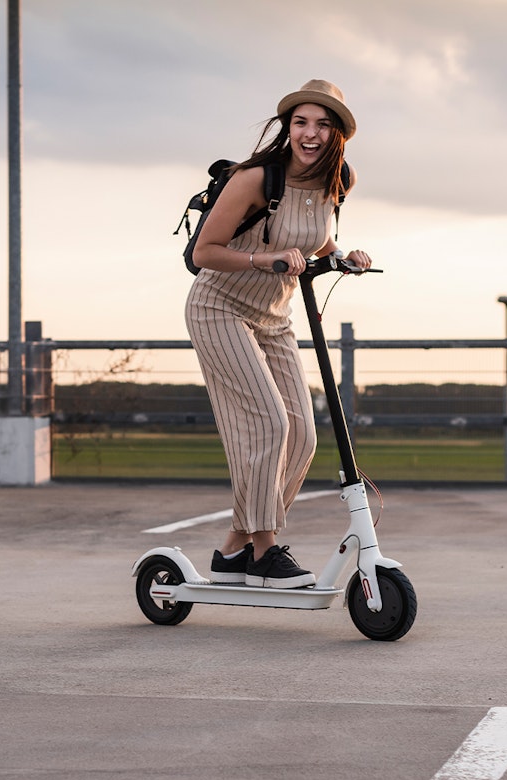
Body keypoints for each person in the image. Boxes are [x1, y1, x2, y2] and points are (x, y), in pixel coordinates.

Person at [185, 79, 373, 589]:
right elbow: (205, 252)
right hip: (219, 306)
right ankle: (265, 550)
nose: (309, 133)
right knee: (269, 423)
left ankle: (232, 551)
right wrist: (263, 259)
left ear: (337, 134)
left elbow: (316, 239)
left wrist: (342, 257)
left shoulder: (338, 180)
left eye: (322, 124)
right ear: (287, 127)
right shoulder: (254, 179)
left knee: (303, 437)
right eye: (300, 122)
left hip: (274, 317)